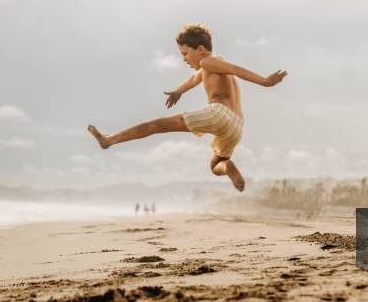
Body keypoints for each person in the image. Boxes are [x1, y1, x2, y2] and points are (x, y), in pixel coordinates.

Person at [88, 23, 287, 191]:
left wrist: (264, 82)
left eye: (185, 53)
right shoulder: (212, 65)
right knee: (216, 164)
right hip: (236, 127)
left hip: (219, 114)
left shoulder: (209, 61)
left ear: (200, 49)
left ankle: (110, 140)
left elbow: (236, 69)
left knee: (157, 125)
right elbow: (195, 78)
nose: (184, 59)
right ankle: (228, 169)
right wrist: (179, 91)